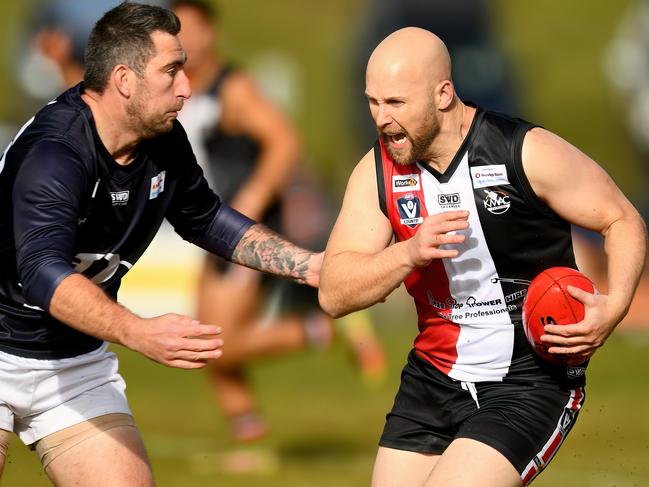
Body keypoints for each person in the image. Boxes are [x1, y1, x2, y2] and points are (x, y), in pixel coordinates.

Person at [0, 3, 323, 485]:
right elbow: (45, 274)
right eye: (171, 71)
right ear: (125, 80)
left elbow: (206, 218)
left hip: (75, 366)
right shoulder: (55, 153)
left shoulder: (163, 141)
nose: (187, 87)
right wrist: (138, 332)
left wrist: (309, 266)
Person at [319, 27, 647, 487]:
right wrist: (409, 253)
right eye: (373, 102)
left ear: (443, 94)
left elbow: (622, 219)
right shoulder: (377, 172)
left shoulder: (521, 151)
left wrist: (616, 306)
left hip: (529, 380)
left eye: (396, 103)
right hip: (432, 380)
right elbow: (334, 293)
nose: (381, 119)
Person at [171, 0, 386, 444]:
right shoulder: (178, 87)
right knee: (202, 340)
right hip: (212, 226)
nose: (186, 41)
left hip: (248, 230)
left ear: (211, 33)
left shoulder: (233, 88)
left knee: (219, 342)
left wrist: (251, 197)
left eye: (194, 30)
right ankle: (248, 438)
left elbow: (285, 142)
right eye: (178, 32)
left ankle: (320, 329)